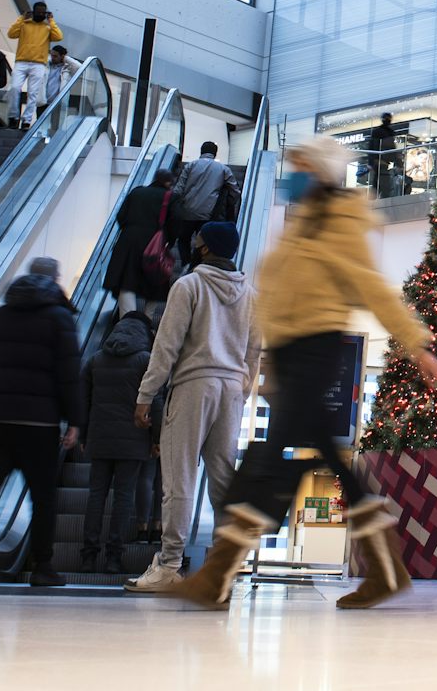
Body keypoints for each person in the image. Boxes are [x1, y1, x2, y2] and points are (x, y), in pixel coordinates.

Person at [166, 136, 437, 611]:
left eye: (299, 166)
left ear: (318, 171)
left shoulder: (340, 223)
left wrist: (416, 344)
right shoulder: (306, 224)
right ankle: (384, 568)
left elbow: (373, 287)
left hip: (316, 351)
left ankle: (218, 575)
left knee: (273, 458)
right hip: (293, 356)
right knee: (320, 461)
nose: (291, 174)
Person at [126, 221, 260, 594]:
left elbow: (166, 346)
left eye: (197, 242)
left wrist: (145, 395)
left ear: (205, 248)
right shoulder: (250, 294)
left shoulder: (189, 286)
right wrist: (241, 391)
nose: (192, 245)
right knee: (222, 481)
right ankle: (221, 567)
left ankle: (169, 564)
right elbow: (253, 352)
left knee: (180, 479)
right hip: (231, 389)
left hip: (193, 386)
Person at [0, 256, 83, 587]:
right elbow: (69, 375)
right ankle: (42, 566)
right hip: (40, 425)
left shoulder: (0, 316)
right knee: (42, 497)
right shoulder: (60, 318)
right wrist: (75, 421)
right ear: (55, 280)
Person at [80, 309, 154, 574]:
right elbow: (154, 401)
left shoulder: (95, 360)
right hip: (133, 441)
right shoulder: (146, 361)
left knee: (96, 496)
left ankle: (88, 557)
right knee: (124, 498)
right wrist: (155, 439)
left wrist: (83, 433)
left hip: (99, 440)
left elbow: (83, 401)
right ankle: (114, 558)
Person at [107, 168, 177, 314]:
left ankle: (127, 319)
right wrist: (168, 240)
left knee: (127, 282)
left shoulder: (136, 192)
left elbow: (121, 216)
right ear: (169, 182)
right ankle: (147, 320)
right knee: (156, 282)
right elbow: (176, 223)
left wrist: (131, 229)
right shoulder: (170, 197)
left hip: (128, 242)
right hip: (155, 244)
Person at [169, 142, 237, 260]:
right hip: (209, 214)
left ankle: (185, 261)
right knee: (204, 242)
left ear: (201, 151)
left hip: (187, 211)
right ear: (215, 153)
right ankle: (196, 265)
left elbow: (178, 189)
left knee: (183, 239)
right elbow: (235, 191)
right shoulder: (223, 169)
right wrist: (230, 204)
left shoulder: (190, 166)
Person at [7, 1, 63, 130]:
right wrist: (22, 18)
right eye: (38, 11)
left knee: (33, 93)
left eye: (43, 12)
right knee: (14, 88)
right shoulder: (24, 24)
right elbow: (11, 34)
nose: (40, 14)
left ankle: (26, 120)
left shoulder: (47, 27)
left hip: (38, 64)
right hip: (21, 61)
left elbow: (59, 37)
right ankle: (13, 117)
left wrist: (51, 21)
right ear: (33, 11)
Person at [365, 113, 399, 197]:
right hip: (381, 161)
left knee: (378, 182)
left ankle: (374, 200)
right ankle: (377, 201)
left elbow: (371, 147)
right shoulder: (388, 133)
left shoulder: (384, 132)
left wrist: (370, 162)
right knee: (382, 184)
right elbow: (373, 147)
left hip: (381, 161)